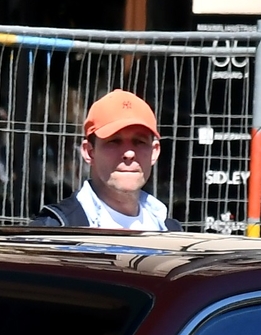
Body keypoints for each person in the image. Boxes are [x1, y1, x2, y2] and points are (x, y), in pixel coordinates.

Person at [36, 89, 174, 230]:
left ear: (155, 152)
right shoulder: (55, 231)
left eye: (139, 142)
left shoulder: (170, 231)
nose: (129, 153)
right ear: (89, 152)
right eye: (114, 141)